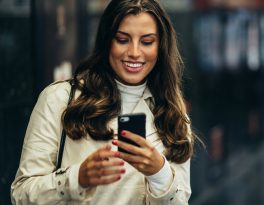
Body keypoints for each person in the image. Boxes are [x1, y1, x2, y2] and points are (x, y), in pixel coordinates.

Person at [11, 0, 197, 204]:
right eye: (122, 39)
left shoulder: (172, 115)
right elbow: (20, 195)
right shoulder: (59, 99)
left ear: (160, 46)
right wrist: (77, 179)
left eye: (147, 41)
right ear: (107, 41)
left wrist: (160, 174)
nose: (134, 52)